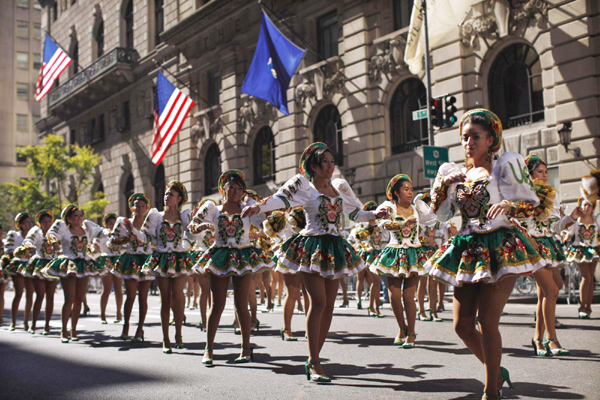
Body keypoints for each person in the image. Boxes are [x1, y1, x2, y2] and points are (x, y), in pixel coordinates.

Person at [426, 109, 544, 399]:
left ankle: (491, 390)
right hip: (466, 249)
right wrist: (441, 187)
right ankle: (497, 370)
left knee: (487, 321)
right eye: (465, 137)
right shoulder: (456, 175)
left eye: (475, 137)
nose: (468, 142)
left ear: (491, 139)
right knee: (462, 326)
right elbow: (438, 216)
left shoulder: (505, 165)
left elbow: (532, 204)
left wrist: (508, 205)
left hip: (500, 247)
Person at [242, 142, 385, 382]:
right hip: (310, 248)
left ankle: (315, 356)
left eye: (332, 161)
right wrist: (258, 206)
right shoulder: (304, 187)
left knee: (329, 304)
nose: (330, 166)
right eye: (325, 162)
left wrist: (374, 215)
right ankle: (314, 361)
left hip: (334, 247)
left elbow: (354, 213)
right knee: (317, 302)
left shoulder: (338, 188)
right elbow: (281, 199)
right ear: (315, 167)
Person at [190, 170, 272, 365]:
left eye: (239, 188)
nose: (235, 191)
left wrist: (266, 213)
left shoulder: (248, 210)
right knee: (217, 304)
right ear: (223, 189)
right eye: (231, 187)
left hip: (243, 255)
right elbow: (192, 227)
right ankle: (208, 349)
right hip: (219, 256)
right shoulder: (213, 209)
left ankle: (245, 349)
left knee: (241, 304)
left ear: (243, 192)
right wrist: (200, 227)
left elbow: (266, 227)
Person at [371, 175, 436, 347]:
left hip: (414, 254)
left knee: (408, 296)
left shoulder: (418, 208)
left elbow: (433, 220)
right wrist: (402, 223)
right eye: (406, 189)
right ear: (396, 192)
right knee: (394, 296)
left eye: (411, 189)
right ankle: (402, 327)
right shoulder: (389, 207)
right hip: (394, 254)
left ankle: (412, 333)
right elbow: (383, 223)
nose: (409, 192)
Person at [525, 154, 576, 355]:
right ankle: (551, 339)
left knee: (551, 290)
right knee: (552, 291)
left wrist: (572, 217)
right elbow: (521, 223)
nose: (545, 176)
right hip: (533, 245)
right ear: (530, 174)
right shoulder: (525, 194)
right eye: (540, 172)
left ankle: (538, 339)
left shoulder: (550, 196)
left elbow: (554, 227)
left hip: (547, 244)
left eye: (546, 172)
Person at [139, 181, 194, 353]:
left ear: (179, 199)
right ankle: (165, 338)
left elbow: (192, 236)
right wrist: (134, 230)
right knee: (165, 298)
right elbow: (146, 236)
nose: (167, 197)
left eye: (171, 194)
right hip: (161, 258)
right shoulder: (156, 216)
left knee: (178, 295)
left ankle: (178, 334)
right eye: (166, 194)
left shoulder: (184, 217)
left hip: (178, 258)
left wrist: (184, 246)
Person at [43, 205, 107, 342]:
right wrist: (54, 243)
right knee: (69, 298)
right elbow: (51, 234)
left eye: (80, 215)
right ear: (69, 219)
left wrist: (117, 233)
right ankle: (64, 329)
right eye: (75, 216)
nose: (78, 219)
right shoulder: (63, 227)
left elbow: (103, 233)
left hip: (83, 264)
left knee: (79, 298)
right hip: (68, 264)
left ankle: (74, 329)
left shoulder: (87, 227)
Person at [111, 193, 154, 342]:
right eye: (137, 205)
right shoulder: (124, 223)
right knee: (130, 296)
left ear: (147, 208)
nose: (140, 208)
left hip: (146, 260)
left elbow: (154, 240)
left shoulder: (150, 223)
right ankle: (126, 325)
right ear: (132, 207)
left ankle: (140, 329)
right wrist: (127, 238)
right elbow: (113, 241)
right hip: (131, 259)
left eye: (143, 206)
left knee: (143, 297)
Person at [567, 170, 600, 319]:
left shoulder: (597, 220)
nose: (587, 208)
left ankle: (588, 306)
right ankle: (582, 305)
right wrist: (566, 236)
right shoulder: (577, 221)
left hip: (593, 249)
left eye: (590, 206)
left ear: (593, 207)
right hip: (580, 250)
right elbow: (568, 232)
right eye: (585, 205)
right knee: (586, 276)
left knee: (590, 277)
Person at [18, 210, 57, 335]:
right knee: (40, 295)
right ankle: (33, 323)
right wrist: (30, 245)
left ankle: (47, 325)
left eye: (49, 221)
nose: (47, 224)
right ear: (40, 223)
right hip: (39, 264)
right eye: (44, 222)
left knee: (50, 296)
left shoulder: (55, 232)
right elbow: (28, 239)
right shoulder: (36, 231)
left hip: (52, 265)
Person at [188, 199, 215, 332]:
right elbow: (190, 235)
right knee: (205, 290)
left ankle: (212, 318)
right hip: (201, 256)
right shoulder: (196, 223)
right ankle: (204, 320)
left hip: (215, 256)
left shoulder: (216, 220)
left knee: (214, 291)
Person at [4, 213, 34, 331]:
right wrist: (20, 253)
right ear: (20, 224)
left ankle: (27, 321)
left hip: (31, 265)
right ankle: (14, 321)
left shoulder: (33, 235)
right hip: (18, 266)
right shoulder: (14, 235)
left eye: (30, 222)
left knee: (30, 293)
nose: (29, 224)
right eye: (26, 222)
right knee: (19, 293)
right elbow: (8, 250)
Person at [94, 214, 124, 324]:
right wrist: (95, 248)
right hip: (106, 260)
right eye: (110, 223)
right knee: (106, 289)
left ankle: (119, 313)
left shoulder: (120, 234)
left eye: (114, 223)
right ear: (106, 224)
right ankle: (102, 314)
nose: (112, 225)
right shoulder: (102, 234)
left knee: (118, 289)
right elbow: (95, 248)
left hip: (117, 260)